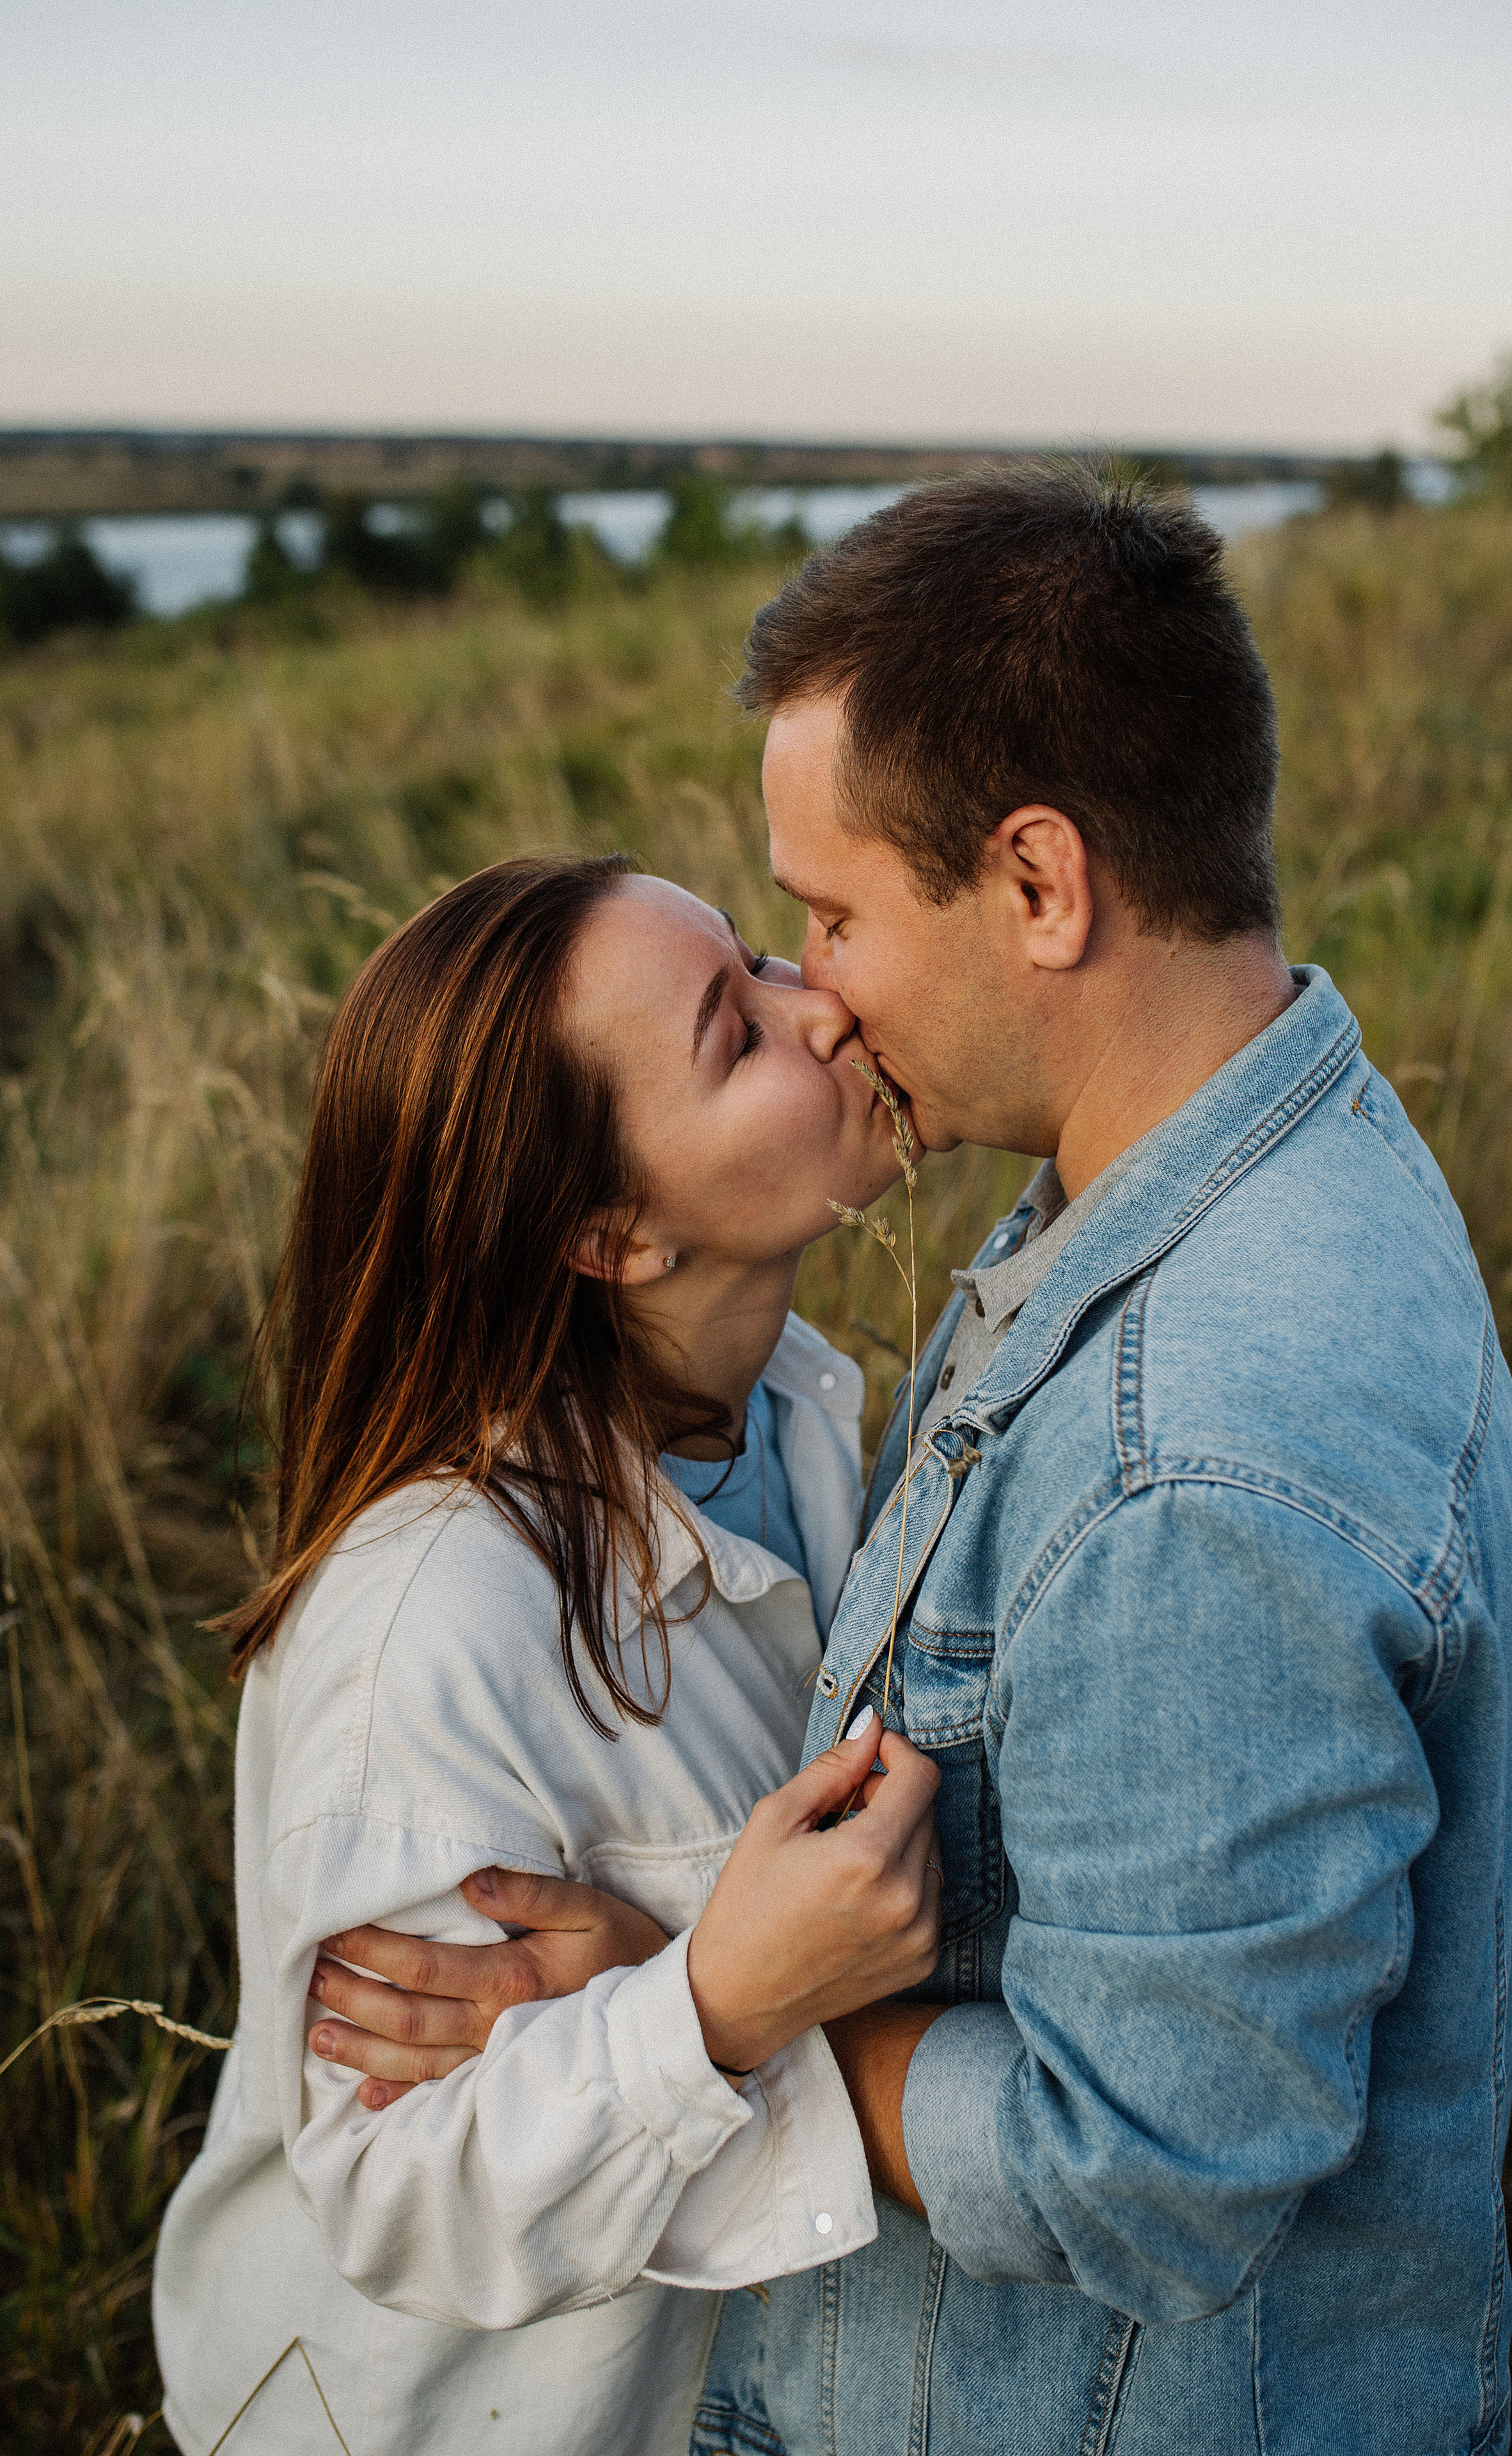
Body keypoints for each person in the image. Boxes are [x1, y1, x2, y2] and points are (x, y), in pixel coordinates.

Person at [319, 471, 1512, 2456]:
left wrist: (732, 2004)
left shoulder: (1187, 1465)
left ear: (1042, 884)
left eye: (837, 912)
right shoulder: (1236, 1151)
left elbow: (1142, 2167)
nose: (824, 988)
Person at [150, 853, 945, 2456]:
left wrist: (663, 1973)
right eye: (737, 1033)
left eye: (761, 960)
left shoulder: (791, 1408)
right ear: (611, 1231)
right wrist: (709, 2001)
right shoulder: (428, 1628)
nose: (825, 1007)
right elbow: (398, 2193)